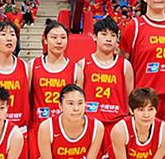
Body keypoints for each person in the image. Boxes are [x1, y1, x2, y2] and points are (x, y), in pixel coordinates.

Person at [76, 17, 134, 158]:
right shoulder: (83, 64)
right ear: (94, 37)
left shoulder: (125, 65)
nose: (108, 39)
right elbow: (77, 100)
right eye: (104, 34)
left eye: (113, 35)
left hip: (116, 125)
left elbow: (130, 100)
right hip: (90, 125)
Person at [30, 20, 77, 159]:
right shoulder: (32, 66)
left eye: (63, 37)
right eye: (54, 37)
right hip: (37, 128)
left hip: (64, 131)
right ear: (45, 39)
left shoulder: (76, 70)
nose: (59, 41)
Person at [37, 84, 104, 159]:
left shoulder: (97, 127)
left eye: (80, 103)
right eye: (70, 103)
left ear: (85, 104)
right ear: (60, 106)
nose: (76, 108)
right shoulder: (46, 128)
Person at [109, 88, 165, 159]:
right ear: (131, 110)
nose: (146, 115)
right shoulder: (120, 131)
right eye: (141, 110)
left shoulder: (164, 131)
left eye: (150, 109)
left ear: (156, 110)